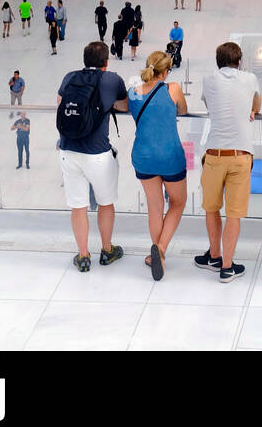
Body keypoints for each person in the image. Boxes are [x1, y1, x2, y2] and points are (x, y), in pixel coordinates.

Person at [56, 40, 128, 271]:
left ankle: (83, 255)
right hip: (97, 153)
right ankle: (107, 250)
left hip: (68, 150)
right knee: (105, 203)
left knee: (78, 206)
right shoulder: (112, 79)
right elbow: (124, 106)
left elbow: (60, 103)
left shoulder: (70, 77)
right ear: (106, 62)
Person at [195, 41, 262, 283]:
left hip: (214, 155)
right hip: (240, 155)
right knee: (233, 214)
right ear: (239, 61)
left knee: (211, 208)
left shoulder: (208, 80)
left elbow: (209, 106)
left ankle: (214, 255)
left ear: (218, 61)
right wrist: (251, 110)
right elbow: (257, 103)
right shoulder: (250, 78)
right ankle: (227, 266)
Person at [128, 51, 189, 279]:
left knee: (155, 208)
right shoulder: (172, 88)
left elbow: (127, 107)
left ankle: (156, 256)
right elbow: (183, 109)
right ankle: (160, 250)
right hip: (170, 156)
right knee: (178, 202)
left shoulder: (133, 93)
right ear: (166, 71)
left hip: (143, 156)